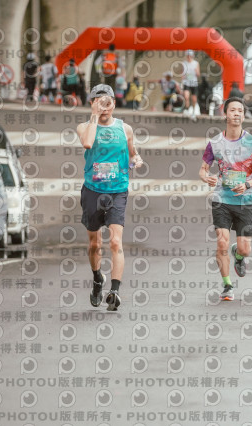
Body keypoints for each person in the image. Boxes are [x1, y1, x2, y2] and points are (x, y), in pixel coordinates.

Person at [76, 84, 143, 311]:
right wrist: (94, 115)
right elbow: (87, 142)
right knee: (95, 244)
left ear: (114, 103)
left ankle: (114, 291)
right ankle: (98, 279)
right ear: (92, 103)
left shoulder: (125, 129)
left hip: (117, 190)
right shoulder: (84, 126)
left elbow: (133, 154)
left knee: (115, 241)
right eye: (99, 101)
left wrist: (136, 160)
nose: (105, 106)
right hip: (93, 190)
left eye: (108, 102)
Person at [198, 97, 252, 301]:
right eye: (233, 110)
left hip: (246, 201)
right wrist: (207, 178)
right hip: (222, 199)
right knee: (221, 243)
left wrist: (247, 184)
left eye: (240, 111)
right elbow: (202, 170)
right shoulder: (215, 143)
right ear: (225, 114)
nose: (236, 114)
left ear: (243, 116)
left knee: (245, 249)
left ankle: (238, 255)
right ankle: (227, 285)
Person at [182, 49, 201, 117]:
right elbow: (183, 74)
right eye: (187, 56)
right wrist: (182, 81)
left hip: (194, 83)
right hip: (186, 82)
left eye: (190, 55)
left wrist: (196, 71)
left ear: (192, 56)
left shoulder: (196, 63)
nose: (189, 57)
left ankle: (193, 110)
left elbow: (198, 74)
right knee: (186, 96)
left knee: (193, 98)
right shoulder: (184, 63)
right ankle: (186, 109)